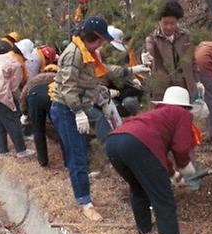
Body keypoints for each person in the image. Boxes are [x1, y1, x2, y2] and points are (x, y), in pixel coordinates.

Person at [50, 16, 150, 221]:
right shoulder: (74, 54)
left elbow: (104, 70)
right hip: (65, 109)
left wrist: (132, 70)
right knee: (76, 154)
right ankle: (84, 202)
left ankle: (83, 192)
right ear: (92, 37)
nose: (102, 43)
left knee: (81, 152)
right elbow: (68, 86)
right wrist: (77, 112)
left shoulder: (88, 52)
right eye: (100, 40)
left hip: (77, 107)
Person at [105, 86, 200, 234]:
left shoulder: (156, 115)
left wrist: (173, 174)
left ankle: (144, 231)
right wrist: (185, 167)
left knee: (138, 187)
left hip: (114, 143)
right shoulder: (181, 114)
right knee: (164, 202)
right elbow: (180, 147)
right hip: (138, 145)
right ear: (185, 106)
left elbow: (156, 151)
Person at [0, 38, 36, 159]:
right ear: (23, 54)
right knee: (12, 121)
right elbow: (14, 88)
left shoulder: (0, 57)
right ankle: (21, 150)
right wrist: (22, 101)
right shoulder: (17, 65)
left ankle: (2, 152)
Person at [142, 0, 202, 100]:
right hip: (163, 92)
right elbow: (149, 52)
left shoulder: (185, 36)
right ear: (159, 21)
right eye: (165, 23)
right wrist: (144, 58)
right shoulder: (152, 39)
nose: (169, 27)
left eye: (172, 23)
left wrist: (198, 81)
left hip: (186, 87)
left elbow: (193, 61)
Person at [19, 64, 60, 167]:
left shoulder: (35, 79)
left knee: (38, 131)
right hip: (51, 97)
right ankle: (67, 161)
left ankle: (43, 161)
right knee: (60, 128)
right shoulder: (58, 77)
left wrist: (25, 113)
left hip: (34, 97)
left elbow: (23, 96)